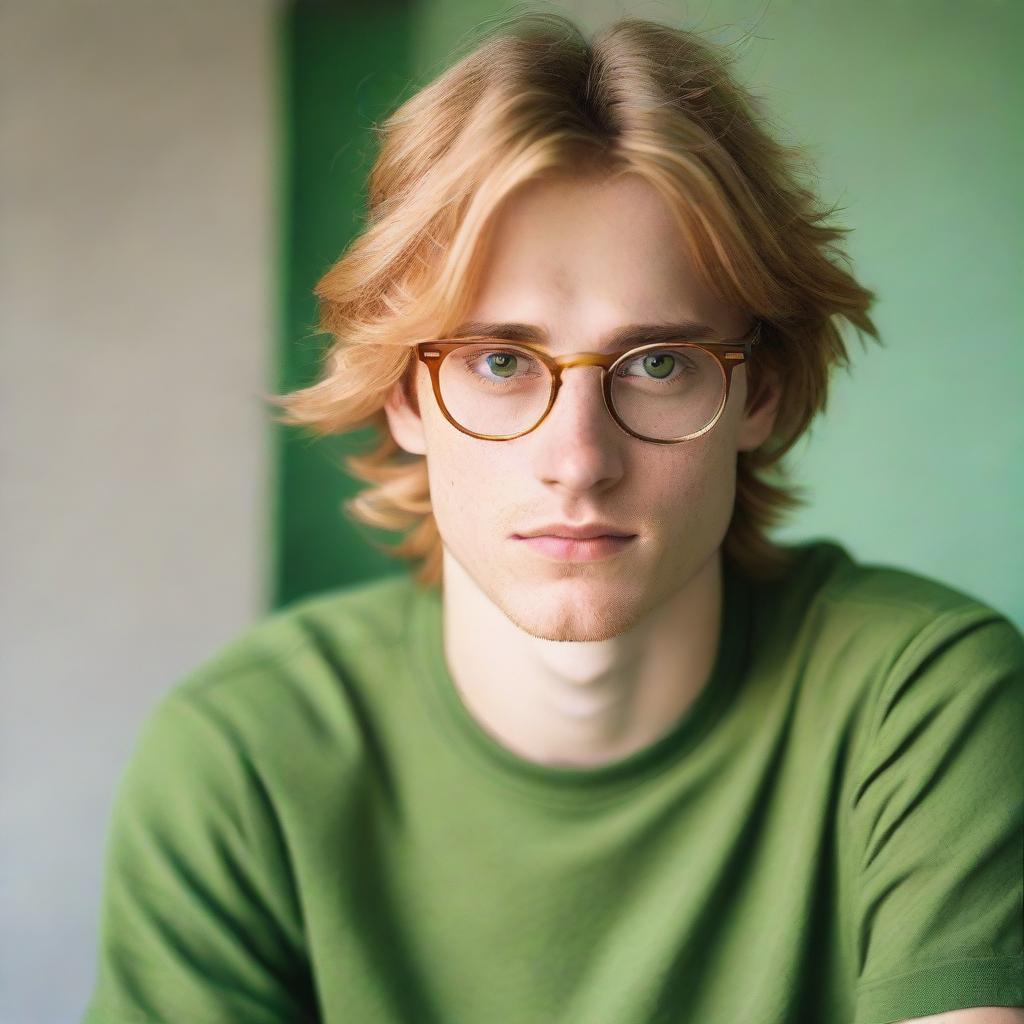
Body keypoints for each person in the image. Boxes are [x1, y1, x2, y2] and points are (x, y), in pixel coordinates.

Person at [82, 12, 1023, 1024]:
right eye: (498, 361)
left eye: (659, 363)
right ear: (401, 393)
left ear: (759, 394)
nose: (577, 460)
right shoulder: (244, 756)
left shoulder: (919, 703)